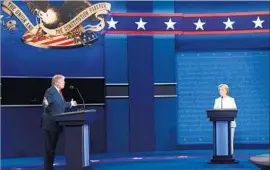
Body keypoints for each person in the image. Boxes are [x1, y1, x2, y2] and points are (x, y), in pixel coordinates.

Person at [41, 74, 77, 170]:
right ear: (57, 82)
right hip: (50, 124)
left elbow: (61, 105)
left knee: (52, 148)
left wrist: (71, 104)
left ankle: (49, 167)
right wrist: (46, 103)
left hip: (57, 123)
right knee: (50, 149)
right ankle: (48, 168)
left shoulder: (59, 92)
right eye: (63, 81)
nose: (64, 83)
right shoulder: (51, 91)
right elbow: (47, 102)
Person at [213, 84, 237, 154]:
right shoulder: (217, 100)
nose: (220, 91)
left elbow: (235, 111)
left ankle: (230, 155)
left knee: (230, 140)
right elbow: (214, 112)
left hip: (230, 124)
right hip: (219, 125)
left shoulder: (231, 99)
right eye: (219, 90)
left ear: (226, 90)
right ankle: (220, 154)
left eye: (222, 89)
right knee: (221, 140)